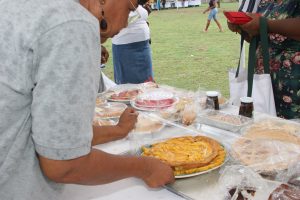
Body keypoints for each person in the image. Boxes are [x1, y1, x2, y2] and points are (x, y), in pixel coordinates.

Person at [0, 0, 174, 199]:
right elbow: (64, 165)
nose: (126, 23)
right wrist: (145, 168)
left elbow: (51, 131)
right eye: (130, 8)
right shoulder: (73, 23)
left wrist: (116, 131)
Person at [228, 0, 300, 119]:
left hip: (292, 84)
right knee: (263, 127)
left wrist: (266, 24)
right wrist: (242, 28)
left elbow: (267, 25)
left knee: (290, 132)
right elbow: (261, 38)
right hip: (264, 80)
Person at [112, 3, 154, 84]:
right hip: (125, 46)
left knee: (147, 84)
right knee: (128, 89)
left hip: (143, 45)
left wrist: (144, 10)